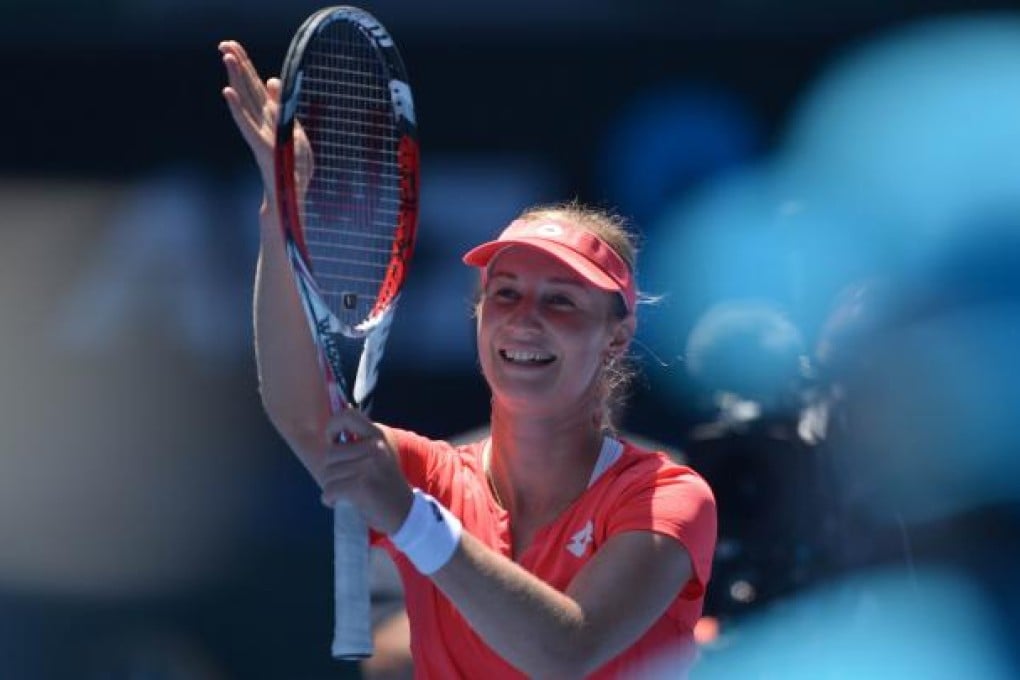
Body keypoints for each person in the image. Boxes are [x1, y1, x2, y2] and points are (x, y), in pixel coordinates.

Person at [220, 40, 717, 678]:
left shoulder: (667, 495)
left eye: (560, 301)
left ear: (616, 338)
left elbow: (563, 651)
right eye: (504, 294)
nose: (525, 316)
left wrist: (411, 519)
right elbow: (302, 411)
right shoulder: (430, 473)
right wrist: (279, 216)